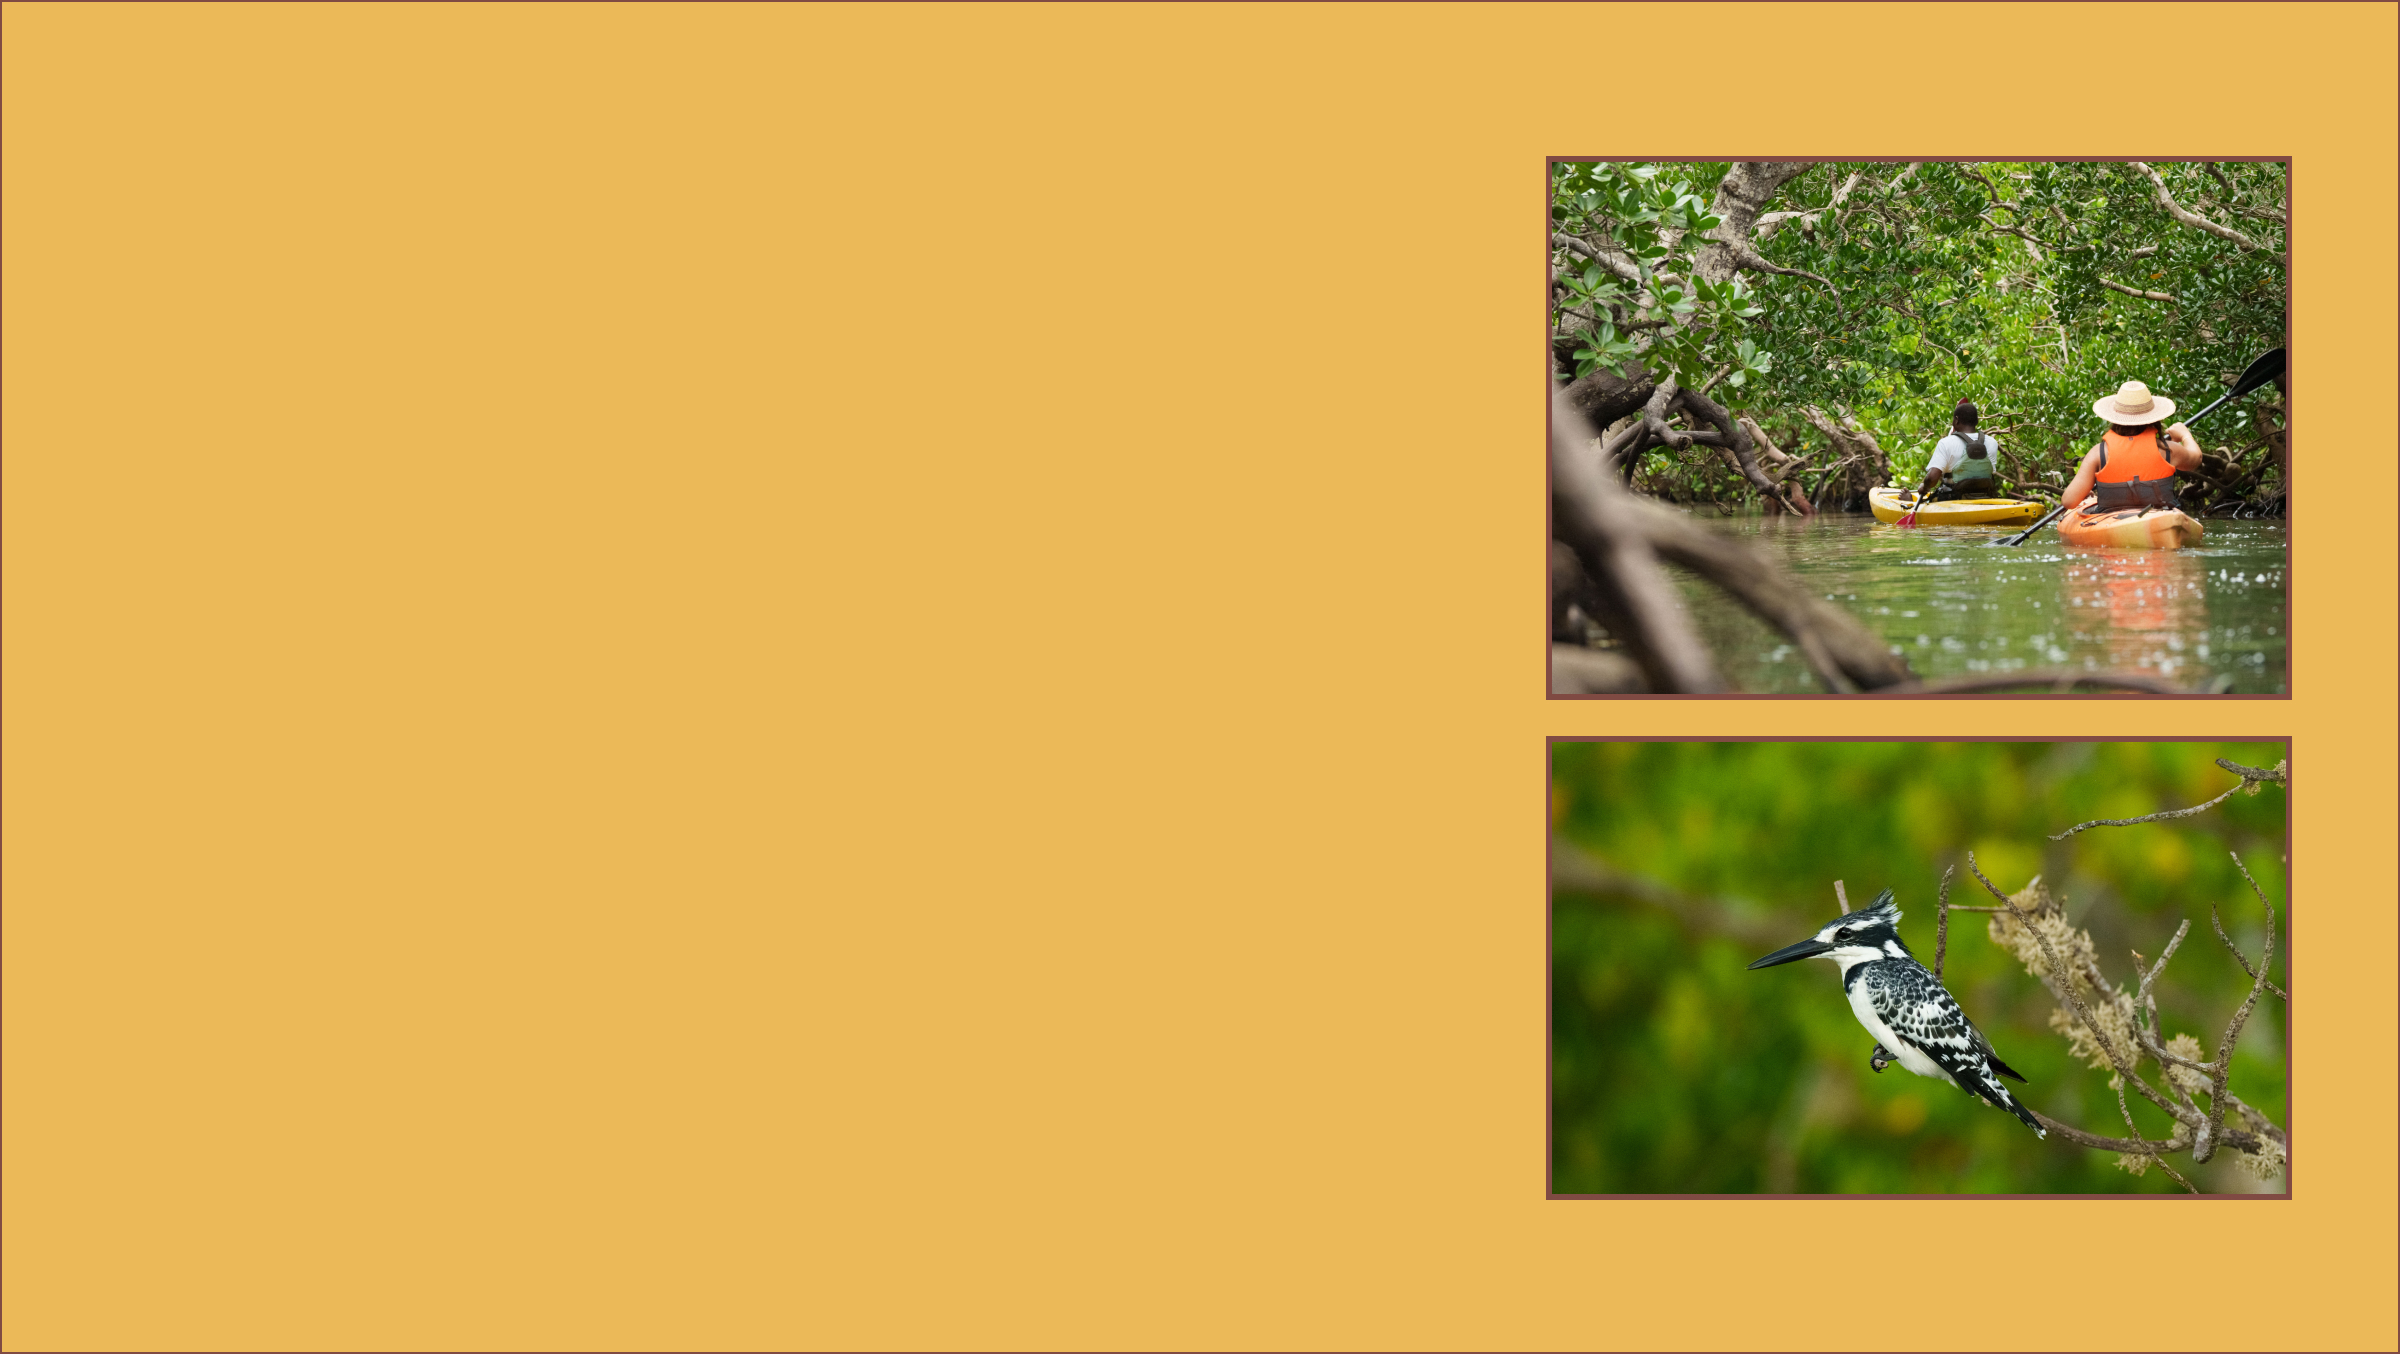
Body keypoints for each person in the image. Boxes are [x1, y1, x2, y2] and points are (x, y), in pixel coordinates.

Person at [2060, 380, 2203, 514]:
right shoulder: (2169, 451)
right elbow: (2196, 459)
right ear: (2154, 419)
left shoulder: (2099, 453)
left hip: (2113, 523)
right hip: (2161, 518)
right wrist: (2185, 435)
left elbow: (2069, 501)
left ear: (2115, 419)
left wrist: (2087, 496)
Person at [1916, 401, 2003, 502]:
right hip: (1985, 498)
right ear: (1976, 421)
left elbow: (1932, 479)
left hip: (1953, 500)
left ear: (1956, 420)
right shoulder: (1992, 442)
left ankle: (1908, 500)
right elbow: (1990, 472)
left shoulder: (1946, 443)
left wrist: (1924, 486)